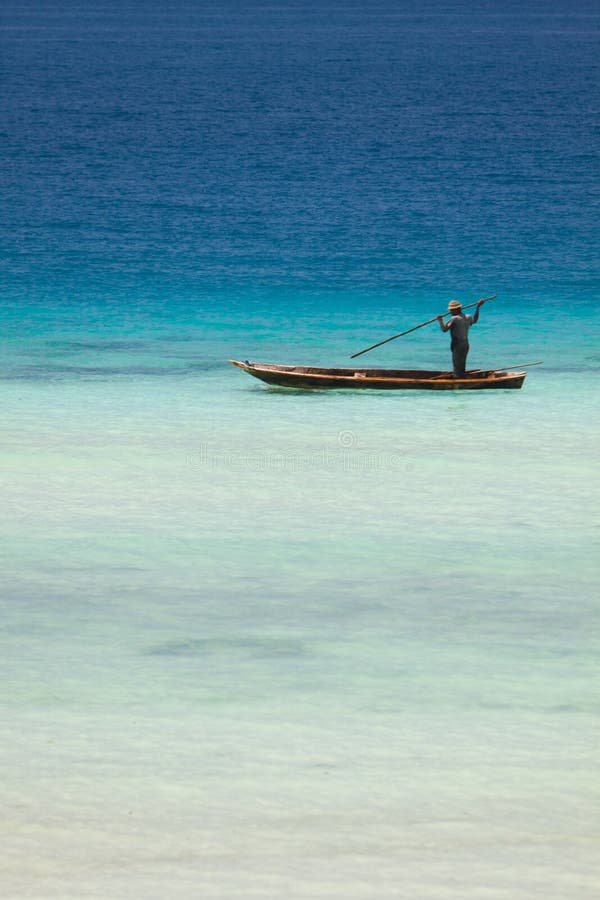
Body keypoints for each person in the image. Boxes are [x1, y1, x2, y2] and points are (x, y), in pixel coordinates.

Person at [437, 298, 485, 376]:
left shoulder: (454, 319)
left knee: (456, 366)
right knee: (462, 365)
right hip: (465, 344)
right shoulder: (468, 317)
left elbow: (444, 329)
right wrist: (478, 307)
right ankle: (462, 377)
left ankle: (457, 381)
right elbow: (475, 320)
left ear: (456, 310)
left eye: (451, 310)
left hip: (457, 345)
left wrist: (440, 321)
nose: (450, 312)